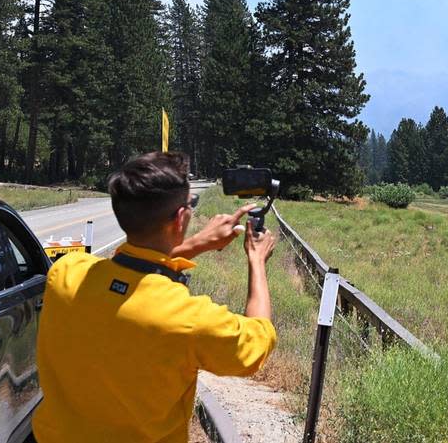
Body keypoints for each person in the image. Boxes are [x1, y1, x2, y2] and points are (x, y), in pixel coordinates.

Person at [32, 151, 278, 443]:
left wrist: (193, 246)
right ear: (180, 219)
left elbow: (122, 271)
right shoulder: (188, 319)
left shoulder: (66, 274)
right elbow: (258, 339)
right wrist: (257, 260)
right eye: (190, 205)